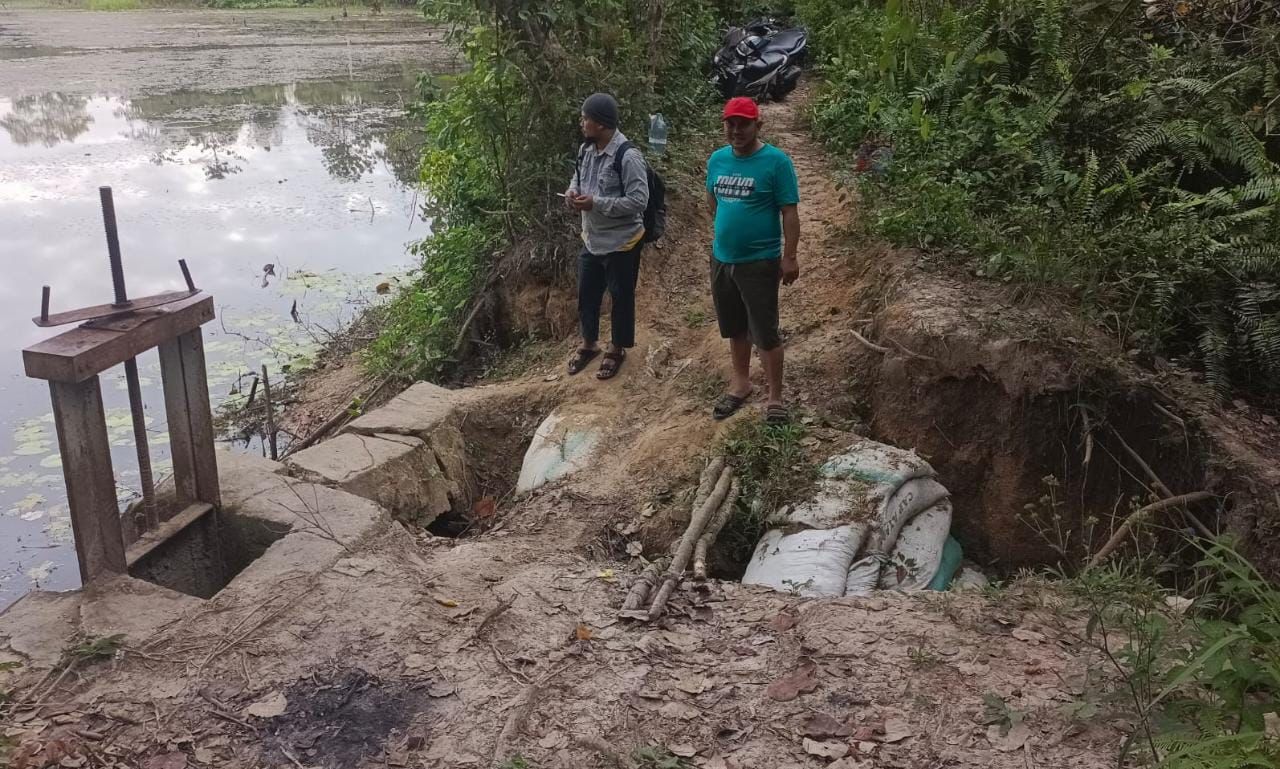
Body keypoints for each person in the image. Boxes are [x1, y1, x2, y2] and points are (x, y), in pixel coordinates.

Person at [705, 96, 800, 424]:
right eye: (730, 123)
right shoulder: (717, 160)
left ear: (757, 125)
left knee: (765, 330)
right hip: (722, 259)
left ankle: (775, 397)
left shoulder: (776, 162)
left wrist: (789, 257)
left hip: (760, 262)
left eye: (743, 123)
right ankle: (741, 383)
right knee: (735, 327)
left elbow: (789, 213)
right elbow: (712, 201)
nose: (736, 130)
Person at [564, 92, 650, 380]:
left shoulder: (628, 157)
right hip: (592, 238)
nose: (581, 122)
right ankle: (589, 344)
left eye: (585, 118)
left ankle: (616, 349)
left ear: (600, 124)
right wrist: (571, 194)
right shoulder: (585, 150)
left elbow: (639, 201)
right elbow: (577, 179)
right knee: (587, 293)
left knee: (620, 296)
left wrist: (595, 203)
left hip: (622, 242)